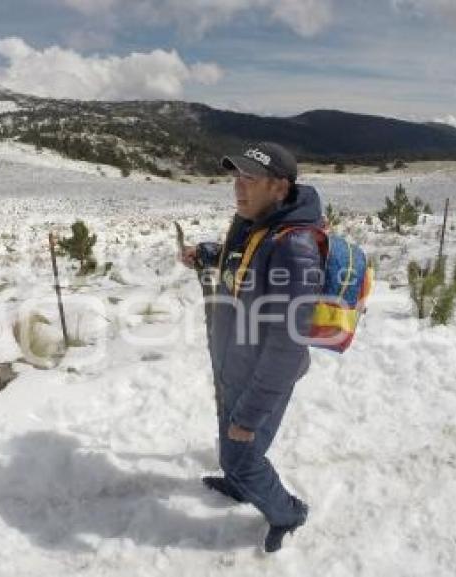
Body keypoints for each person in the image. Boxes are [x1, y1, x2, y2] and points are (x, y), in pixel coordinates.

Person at [179, 142, 324, 553]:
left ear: (279, 188)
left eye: (250, 179)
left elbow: (287, 348)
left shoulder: (293, 250)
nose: (238, 188)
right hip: (234, 360)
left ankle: (287, 512)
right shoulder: (253, 223)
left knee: (242, 451)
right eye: (236, 177)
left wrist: (253, 413)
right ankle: (238, 483)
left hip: (261, 373)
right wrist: (206, 254)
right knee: (231, 440)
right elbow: (238, 261)